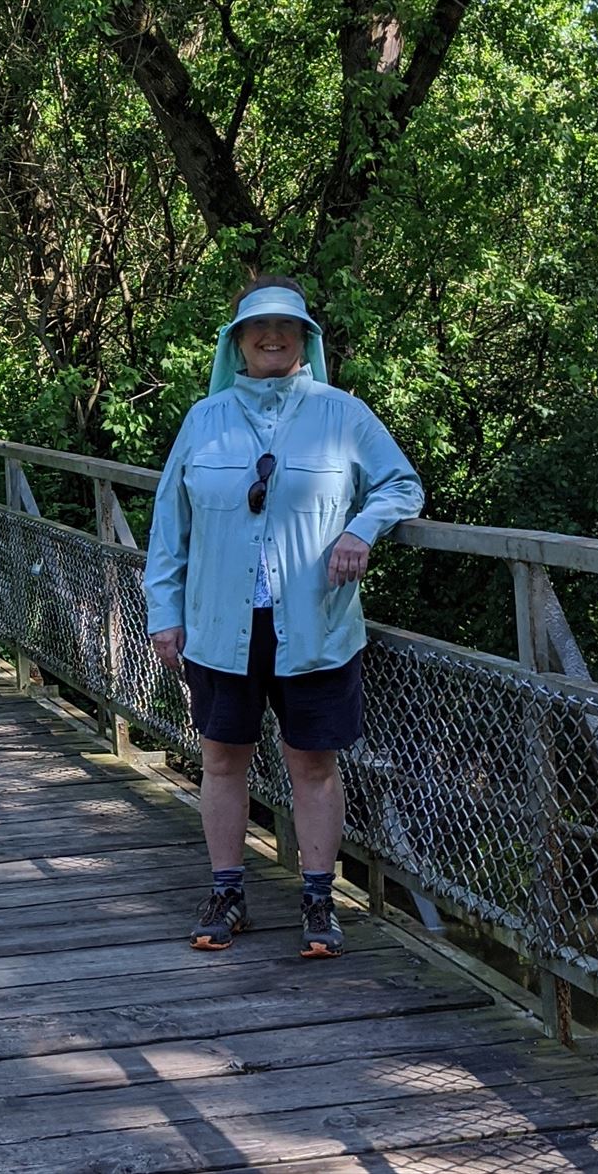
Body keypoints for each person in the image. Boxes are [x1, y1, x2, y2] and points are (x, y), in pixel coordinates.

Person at [143, 276, 423, 959]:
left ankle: (319, 898)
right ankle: (227, 890)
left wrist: (362, 529)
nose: (273, 336)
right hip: (218, 627)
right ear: (236, 341)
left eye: (287, 327)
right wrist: (164, 611)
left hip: (317, 626)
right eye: (259, 327)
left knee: (314, 764)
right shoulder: (203, 420)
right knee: (221, 759)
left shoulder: (344, 414)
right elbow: (168, 525)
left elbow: (402, 482)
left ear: (306, 340)